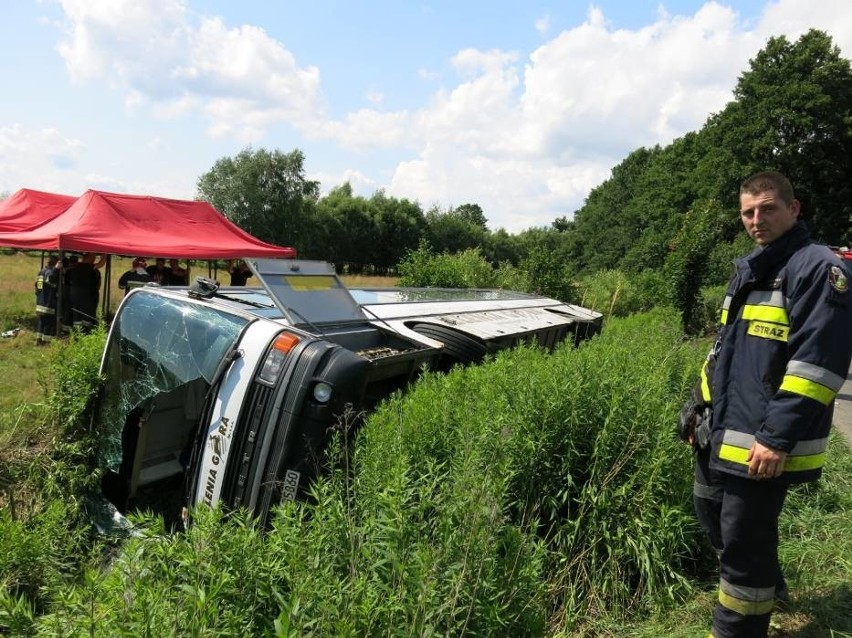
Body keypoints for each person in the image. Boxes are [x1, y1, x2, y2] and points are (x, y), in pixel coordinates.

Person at [680, 171, 852, 638]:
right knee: (710, 512)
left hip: (761, 445)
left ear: (794, 209)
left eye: (768, 208)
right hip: (721, 432)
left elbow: (817, 365)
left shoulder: (818, 268)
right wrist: (697, 406)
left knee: (742, 546)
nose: (757, 219)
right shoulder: (752, 268)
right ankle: (769, 584)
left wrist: (775, 438)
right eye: (747, 212)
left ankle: (738, 627)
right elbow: (726, 353)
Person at [66, 252, 102, 331]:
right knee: (87, 317)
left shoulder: (74, 267)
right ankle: (87, 334)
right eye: (93, 258)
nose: (94, 260)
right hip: (87, 297)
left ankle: (77, 334)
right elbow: (101, 264)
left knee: (77, 317)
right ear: (89, 258)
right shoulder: (89, 267)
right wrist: (105, 255)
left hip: (74, 296)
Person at [34, 255, 63, 344]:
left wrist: (40, 296)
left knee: (41, 321)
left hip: (40, 302)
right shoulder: (51, 272)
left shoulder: (41, 271)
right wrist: (57, 269)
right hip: (48, 303)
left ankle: (38, 339)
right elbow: (51, 278)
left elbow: (38, 287)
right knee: (48, 322)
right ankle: (45, 342)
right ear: (55, 263)